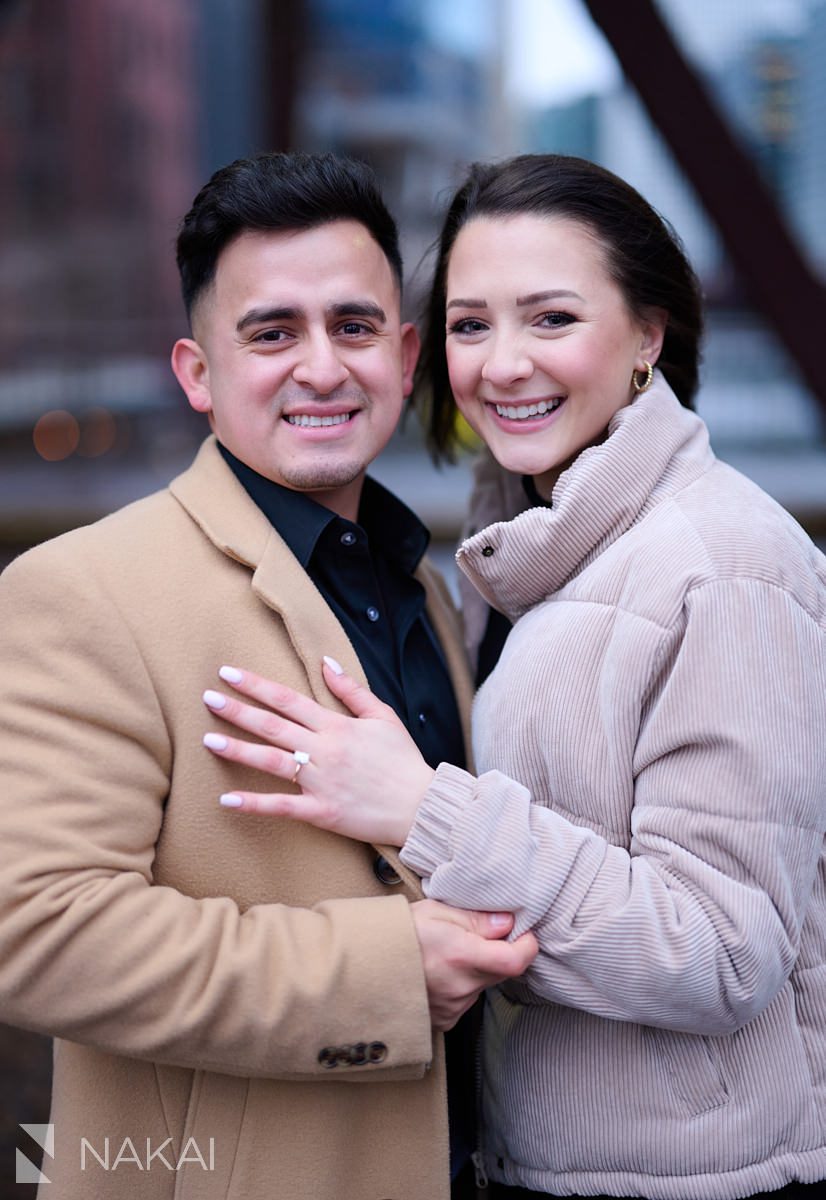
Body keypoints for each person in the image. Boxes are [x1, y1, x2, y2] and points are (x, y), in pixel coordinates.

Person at [196, 154, 826, 1200]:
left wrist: (422, 809)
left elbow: (720, 949)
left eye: (550, 319)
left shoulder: (725, 566)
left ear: (648, 337)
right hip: (534, 1156)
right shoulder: (516, 554)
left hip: (698, 1181)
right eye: (470, 324)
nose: (501, 365)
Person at [0, 151, 538, 1200]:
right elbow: (39, 933)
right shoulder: (81, 590)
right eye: (272, 333)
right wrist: (384, 974)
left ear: (405, 351)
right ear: (198, 374)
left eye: (353, 325)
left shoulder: (425, 589)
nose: (323, 367)